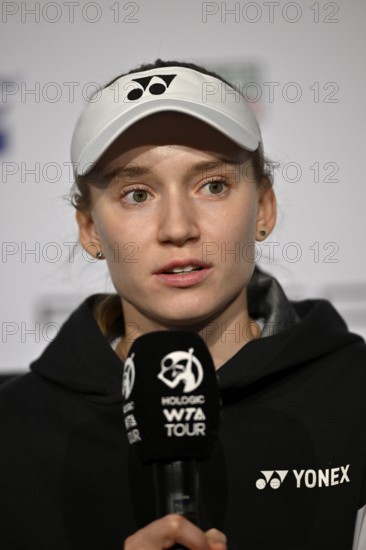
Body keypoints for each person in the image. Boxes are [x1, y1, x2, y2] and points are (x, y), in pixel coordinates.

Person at [0, 59, 365, 550]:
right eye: (137, 194)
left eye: (212, 185)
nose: (177, 227)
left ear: (264, 208)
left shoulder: (355, 393)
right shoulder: (14, 430)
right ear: (89, 229)